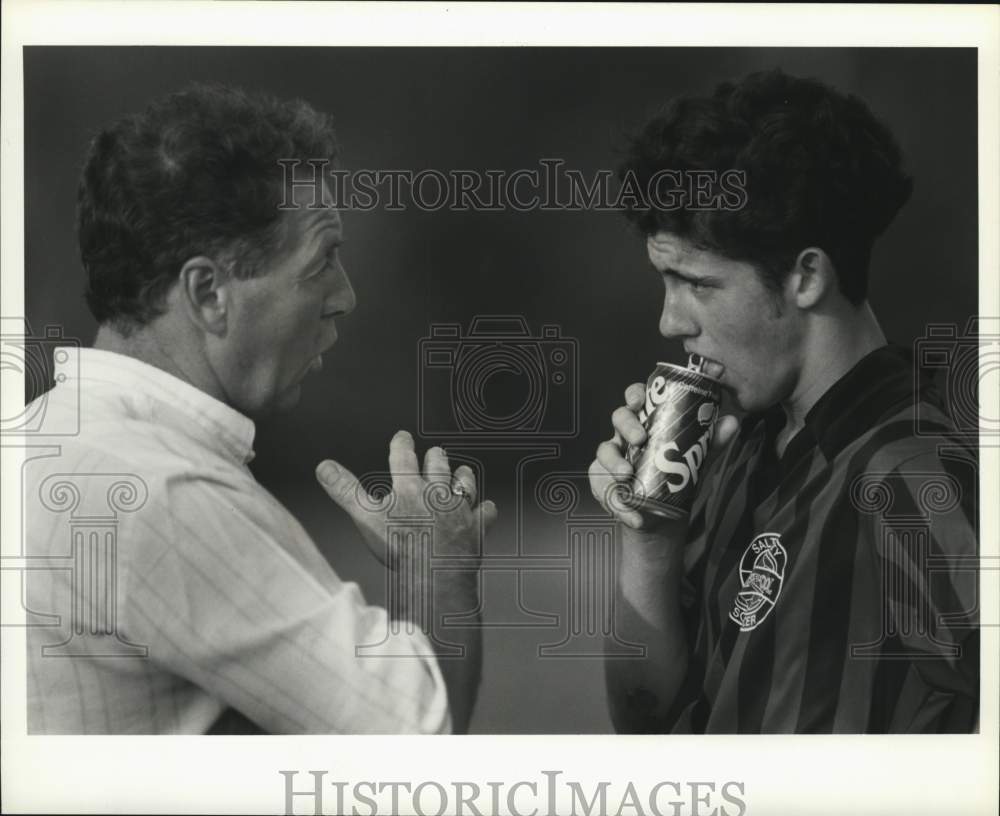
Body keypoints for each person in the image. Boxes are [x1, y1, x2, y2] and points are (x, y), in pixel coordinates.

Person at [24, 84, 496, 734]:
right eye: (321, 262)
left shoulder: (40, 443)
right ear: (209, 293)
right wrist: (435, 564)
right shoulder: (163, 491)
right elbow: (416, 739)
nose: (345, 297)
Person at [589, 69, 979, 733]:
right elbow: (646, 724)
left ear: (805, 277)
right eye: (665, 281)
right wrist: (651, 540)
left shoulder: (912, 469)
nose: (670, 321)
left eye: (696, 285)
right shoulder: (745, 447)